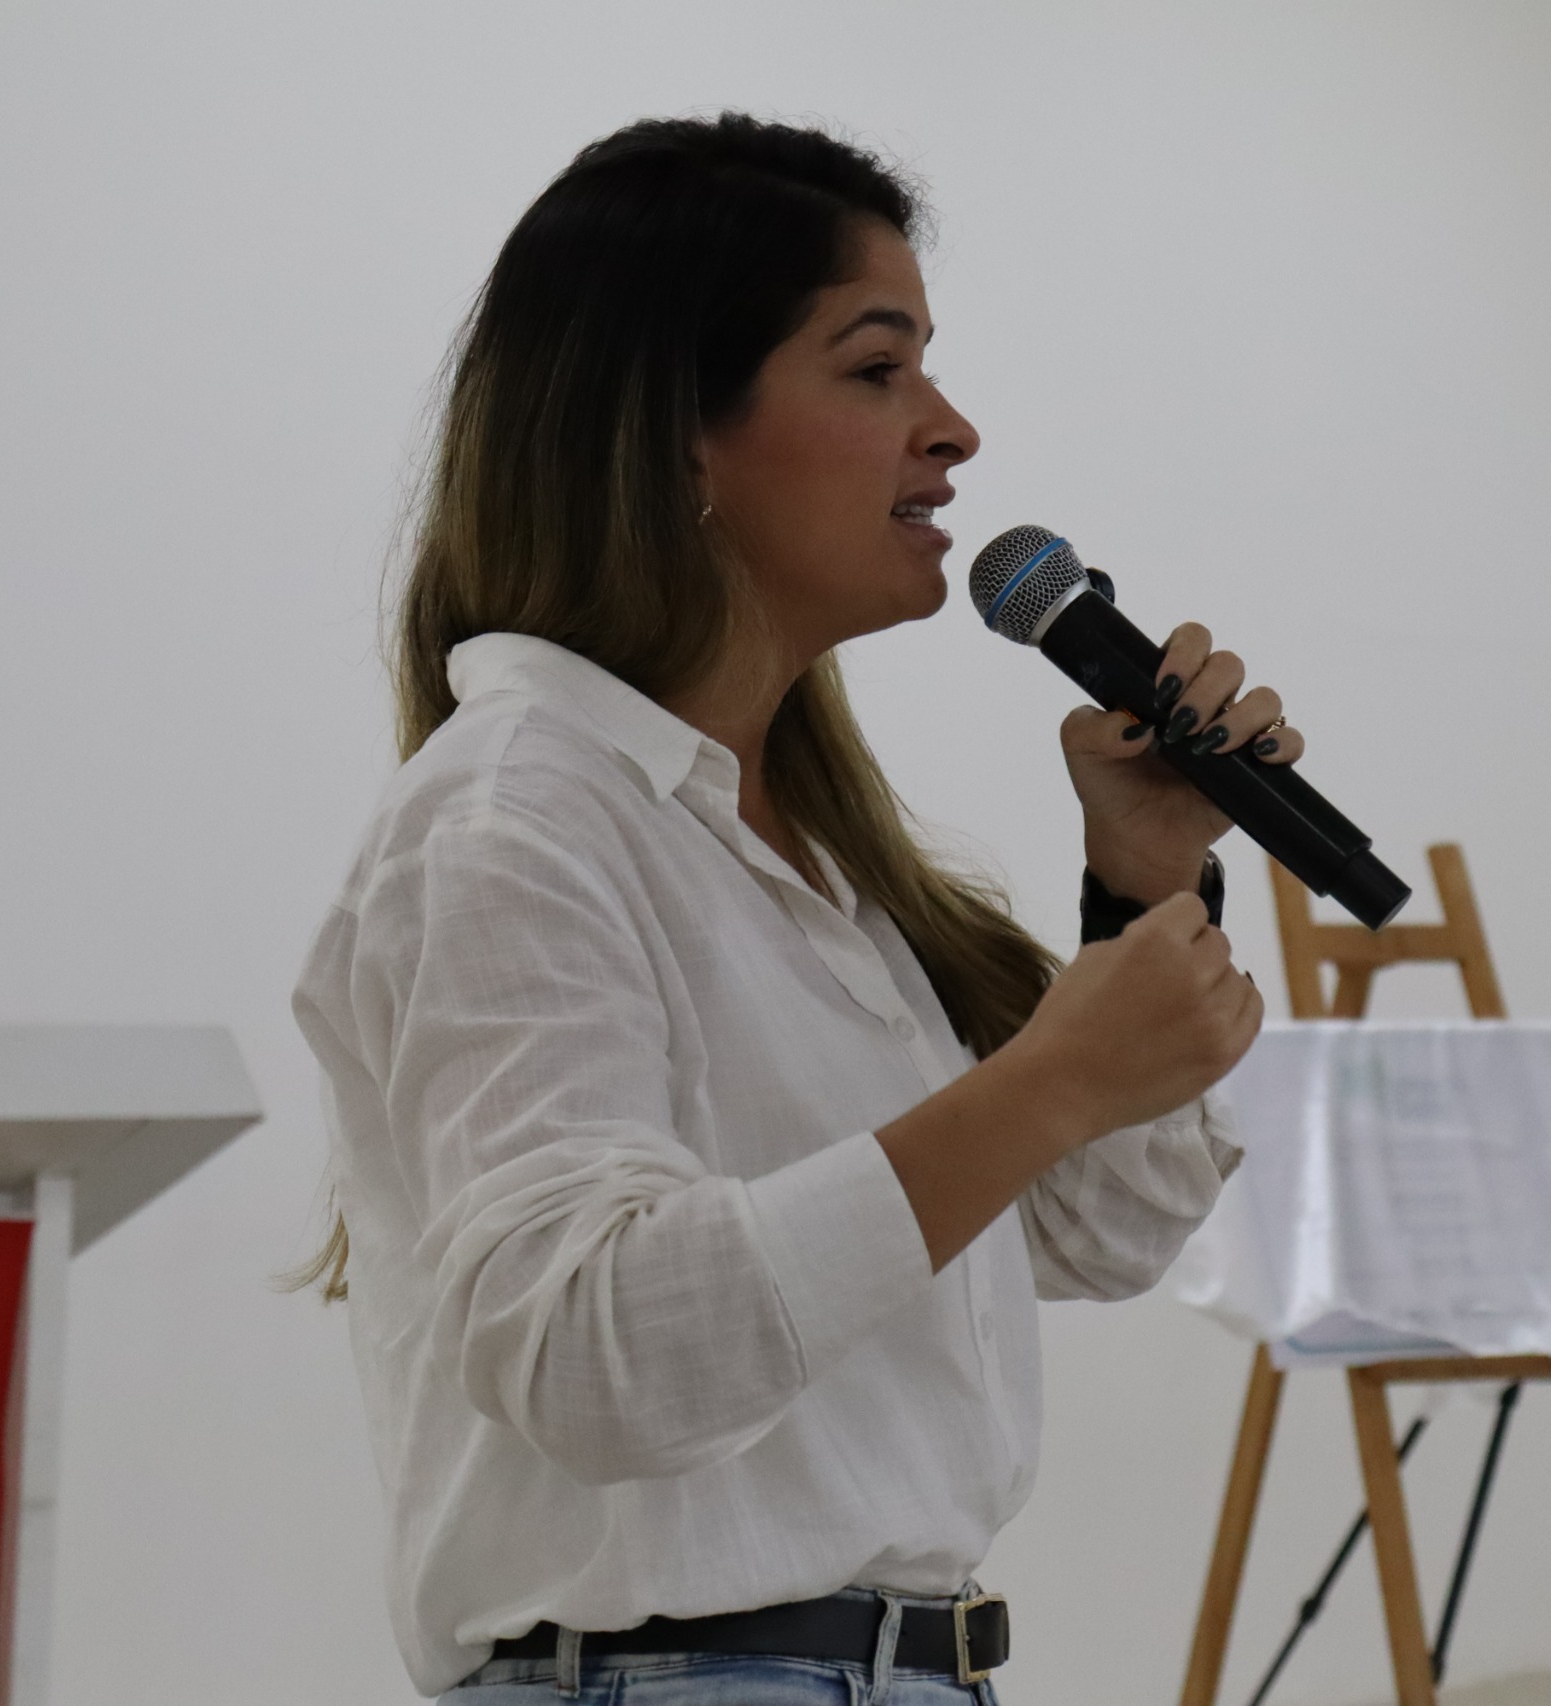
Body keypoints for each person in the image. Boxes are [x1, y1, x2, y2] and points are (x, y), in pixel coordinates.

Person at [293, 113, 1303, 1704]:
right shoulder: (515, 817)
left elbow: (1097, 1231)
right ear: (677, 434)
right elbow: (592, 1350)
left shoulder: (806, 853)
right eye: (877, 368)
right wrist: (1046, 1078)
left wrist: (1140, 884)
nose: (952, 432)